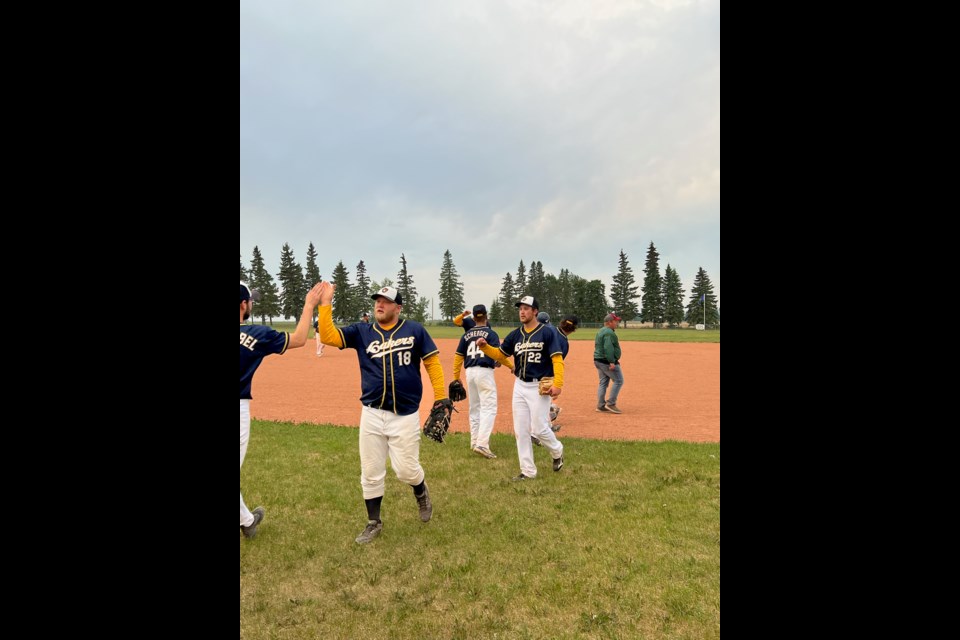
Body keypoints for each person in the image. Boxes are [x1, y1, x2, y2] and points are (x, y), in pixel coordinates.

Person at [316, 283, 451, 544]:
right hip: (372, 413)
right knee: (371, 471)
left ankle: (420, 490)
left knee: (406, 471)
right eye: (377, 300)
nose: (380, 304)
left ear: (398, 307)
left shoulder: (414, 330)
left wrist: (441, 396)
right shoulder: (362, 331)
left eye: (386, 301)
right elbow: (330, 336)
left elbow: (432, 362)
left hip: (405, 414)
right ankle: (373, 522)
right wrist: (325, 304)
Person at [240, 280, 322, 539]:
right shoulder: (256, 334)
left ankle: (248, 521)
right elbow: (299, 339)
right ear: (243, 305)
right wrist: (309, 304)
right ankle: (247, 520)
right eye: (250, 300)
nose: (252, 303)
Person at [476, 295, 565, 480]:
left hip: (539, 387)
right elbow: (500, 354)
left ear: (535, 312)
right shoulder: (515, 335)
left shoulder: (547, 333)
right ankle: (528, 471)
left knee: (539, 429)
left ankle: (557, 451)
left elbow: (557, 358)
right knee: (521, 430)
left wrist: (558, 384)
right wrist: (485, 348)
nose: (522, 311)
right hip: (520, 385)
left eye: (526, 308)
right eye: (520, 308)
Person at [452, 305, 509, 459]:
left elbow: (458, 357)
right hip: (484, 372)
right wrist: (511, 366)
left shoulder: (466, 335)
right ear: (486, 316)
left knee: (474, 408)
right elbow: (498, 355)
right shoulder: (491, 333)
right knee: (489, 408)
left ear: (473, 318)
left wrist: (456, 377)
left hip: (469, 372)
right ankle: (482, 444)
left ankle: (475, 441)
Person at [532, 314, 579, 445]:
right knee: (542, 402)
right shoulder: (564, 342)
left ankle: (546, 427)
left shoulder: (550, 330)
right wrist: (556, 382)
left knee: (540, 401)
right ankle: (536, 432)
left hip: (533, 368)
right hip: (546, 373)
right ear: (574, 329)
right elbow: (557, 362)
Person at [594, 313, 624, 414]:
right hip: (606, 361)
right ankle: (611, 403)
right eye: (616, 321)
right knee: (619, 380)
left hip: (598, 360)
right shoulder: (608, 332)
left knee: (603, 382)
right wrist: (611, 361)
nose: (617, 323)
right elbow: (608, 347)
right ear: (610, 322)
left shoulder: (601, 330)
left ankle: (600, 405)